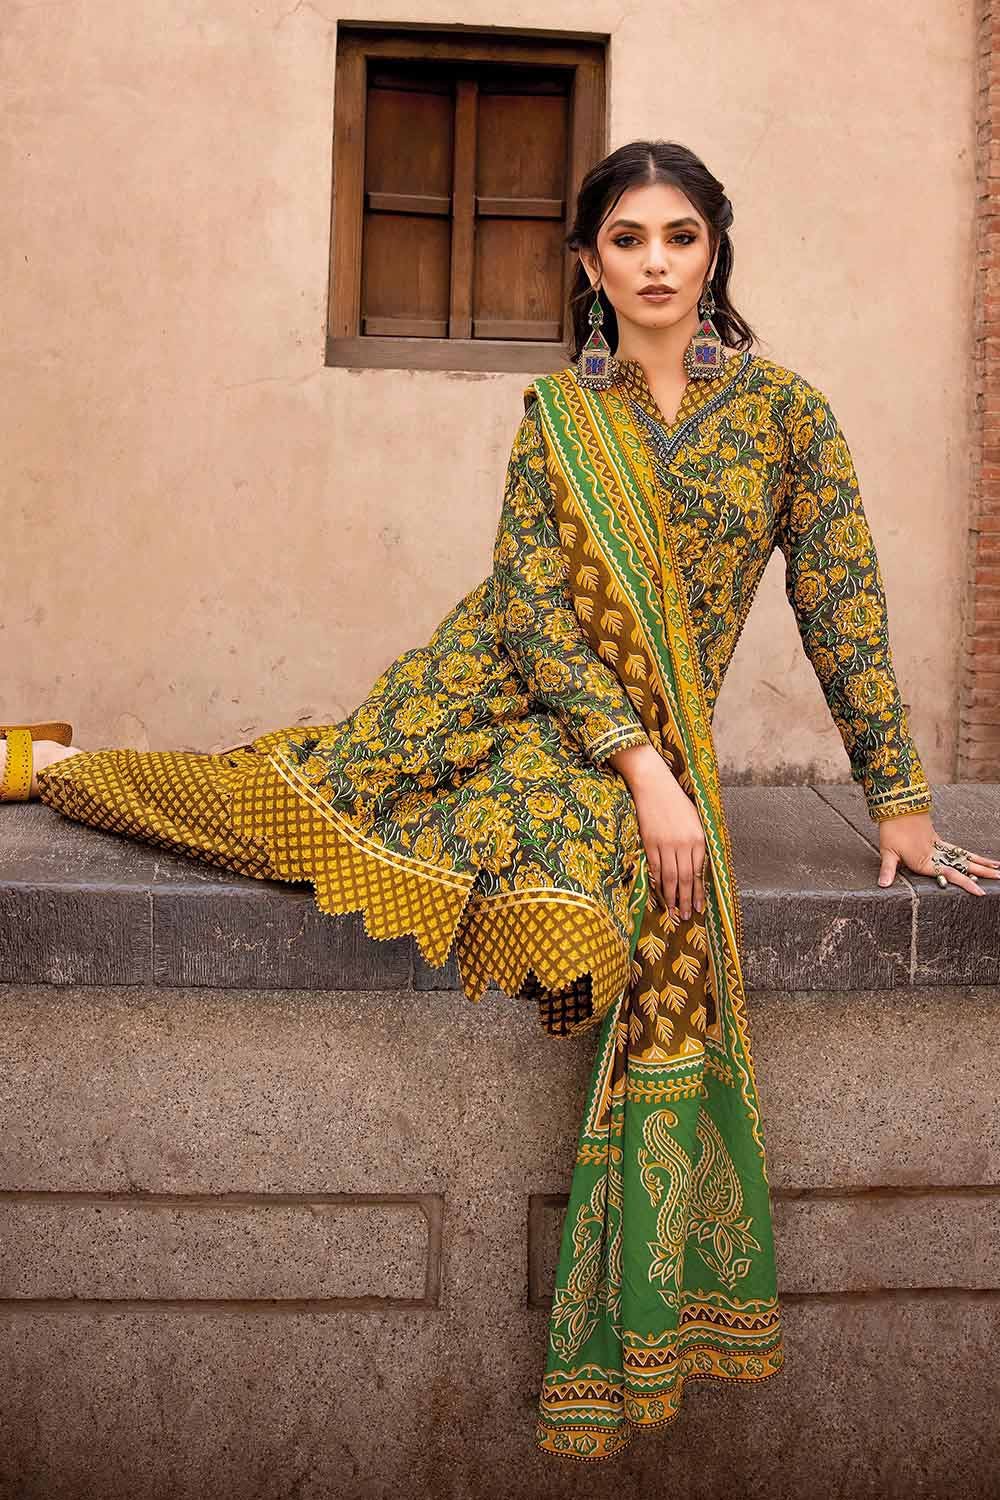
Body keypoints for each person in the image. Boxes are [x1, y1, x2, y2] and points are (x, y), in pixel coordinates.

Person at [3, 139, 998, 1463]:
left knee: (599, 873)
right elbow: (529, 609)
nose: (656, 263)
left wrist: (898, 800)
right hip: (499, 694)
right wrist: (645, 766)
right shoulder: (558, 417)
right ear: (588, 263)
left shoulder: (787, 418)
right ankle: (56, 769)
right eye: (627, 239)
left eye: (681, 236)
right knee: (293, 799)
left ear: (717, 251)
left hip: (632, 744)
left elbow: (845, 606)